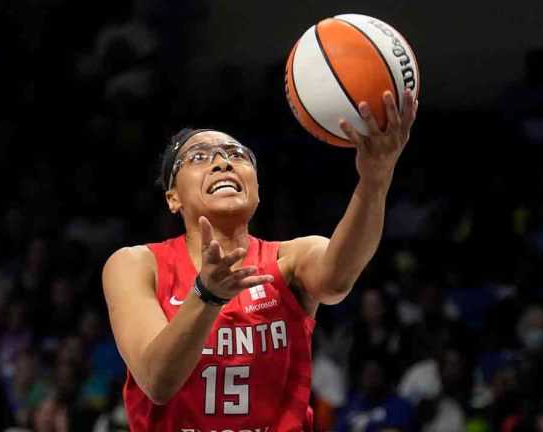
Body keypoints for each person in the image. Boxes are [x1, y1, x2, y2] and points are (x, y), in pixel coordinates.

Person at [102, 89, 418, 430]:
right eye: (198, 157)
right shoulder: (135, 264)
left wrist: (375, 180)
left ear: (256, 190)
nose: (222, 161)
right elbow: (157, 382)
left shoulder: (288, 260)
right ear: (173, 197)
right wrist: (207, 295)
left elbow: (337, 279)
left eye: (236, 154)